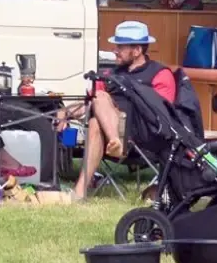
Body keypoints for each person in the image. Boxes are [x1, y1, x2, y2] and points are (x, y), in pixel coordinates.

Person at [65, 19, 179, 200]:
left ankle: (114, 142)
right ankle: (80, 192)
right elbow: (87, 102)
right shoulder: (112, 75)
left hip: (143, 137)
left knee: (100, 97)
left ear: (137, 50)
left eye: (120, 47)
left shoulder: (160, 74)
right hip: (115, 136)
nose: (114, 50)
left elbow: (162, 115)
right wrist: (66, 113)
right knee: (95, 120)